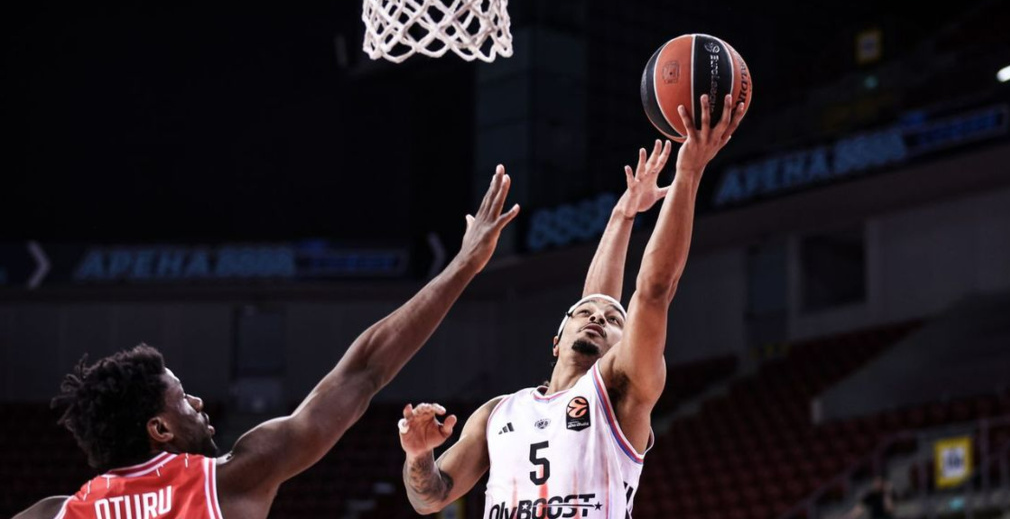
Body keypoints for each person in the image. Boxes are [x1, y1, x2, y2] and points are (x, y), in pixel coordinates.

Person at [13, 165, 521, 519]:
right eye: (182, 398)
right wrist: (464, 267)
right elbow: (364, 370)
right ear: (159, 428)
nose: (196, 402)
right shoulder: (230, 479)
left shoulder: (55, 512)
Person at [398, 95, 746, 519]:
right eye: (585, 315)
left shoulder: (621, 394)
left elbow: (654, 291)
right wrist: (418, 455)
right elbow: (429, 496)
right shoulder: (498, 412)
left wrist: (689, 173)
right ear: (556, 341)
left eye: (616, 320)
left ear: (625, 344)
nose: (599, 317)